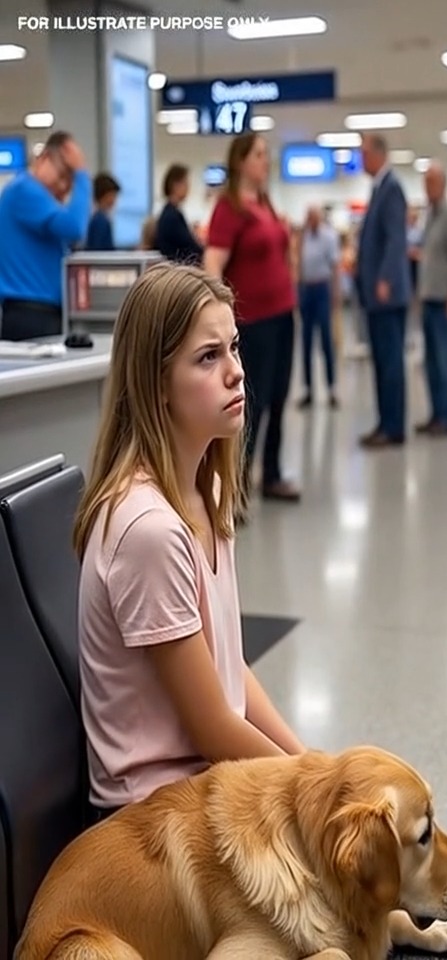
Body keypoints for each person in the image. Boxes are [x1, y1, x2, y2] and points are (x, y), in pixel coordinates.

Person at [72, 262, 305, 822]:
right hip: (150, 818)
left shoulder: (209, 488)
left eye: (234, 347)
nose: (236, 372)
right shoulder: (148, 530)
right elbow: (212, 729)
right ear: (156, 384)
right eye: (208, 357)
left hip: (205, 784)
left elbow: (230, 672)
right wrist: (311, 791)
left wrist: (309, 764)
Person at [204, 133, 300, 506]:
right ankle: (237, 484)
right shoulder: (228, 208)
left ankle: (271, 473)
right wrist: (217, 318)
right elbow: (213, 263)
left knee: (279, 395)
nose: (266, 160)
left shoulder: (265, 204)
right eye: (259, 154)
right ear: (241, 161)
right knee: (250, 402)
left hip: (282, 314)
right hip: (252, 321)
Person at [0, 130, 90, 341]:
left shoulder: (30, 196)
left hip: (39, 312)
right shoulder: (24, 190)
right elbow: (75, 227)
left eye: (69, 181)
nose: (64, 187)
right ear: (43, 159)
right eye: (62, 175)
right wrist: (81, 174)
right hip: (30, 315)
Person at [355, 133, 410, 448]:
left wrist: (385, 278)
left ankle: (393, 427)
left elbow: (395, 239)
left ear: (378, 154)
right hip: (375, 297)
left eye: (364, 154)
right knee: (381, 361)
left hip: (386, 295)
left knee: (390, 362)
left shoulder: (391, 189)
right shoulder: (378, 188)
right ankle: (385, 422)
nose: (361, 160)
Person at [415, 162, 447, 436]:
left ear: (443, 185)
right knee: (432, 363)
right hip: (429, 299)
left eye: (432, 182)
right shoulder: (430, 216)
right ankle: (437, 414)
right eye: (425, 182)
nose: (427, 188)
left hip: (445, 300)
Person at [296, 204, 340, 409]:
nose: (310, 221)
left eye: (313, 217)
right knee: (305, 342)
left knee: (326, 340)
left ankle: (331, 388)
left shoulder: (328, 237)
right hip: (307, 290)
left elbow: (335, 267)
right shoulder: (303, 238)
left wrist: (335, 294)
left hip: (322, 289)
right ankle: (308, 390)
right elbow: (298, 264)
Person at [155, 163, 204, 265]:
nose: (188, 188)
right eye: (185, 183)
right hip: (177, 268)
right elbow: (189, 247)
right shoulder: (171, 216)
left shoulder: (171, 212)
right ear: (175, 185)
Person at [84, 172, 120, 251]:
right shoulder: (101, 220)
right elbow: (98, 251)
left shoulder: (94, 217)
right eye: (112, 195)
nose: (114, 200)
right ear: (103, 195)